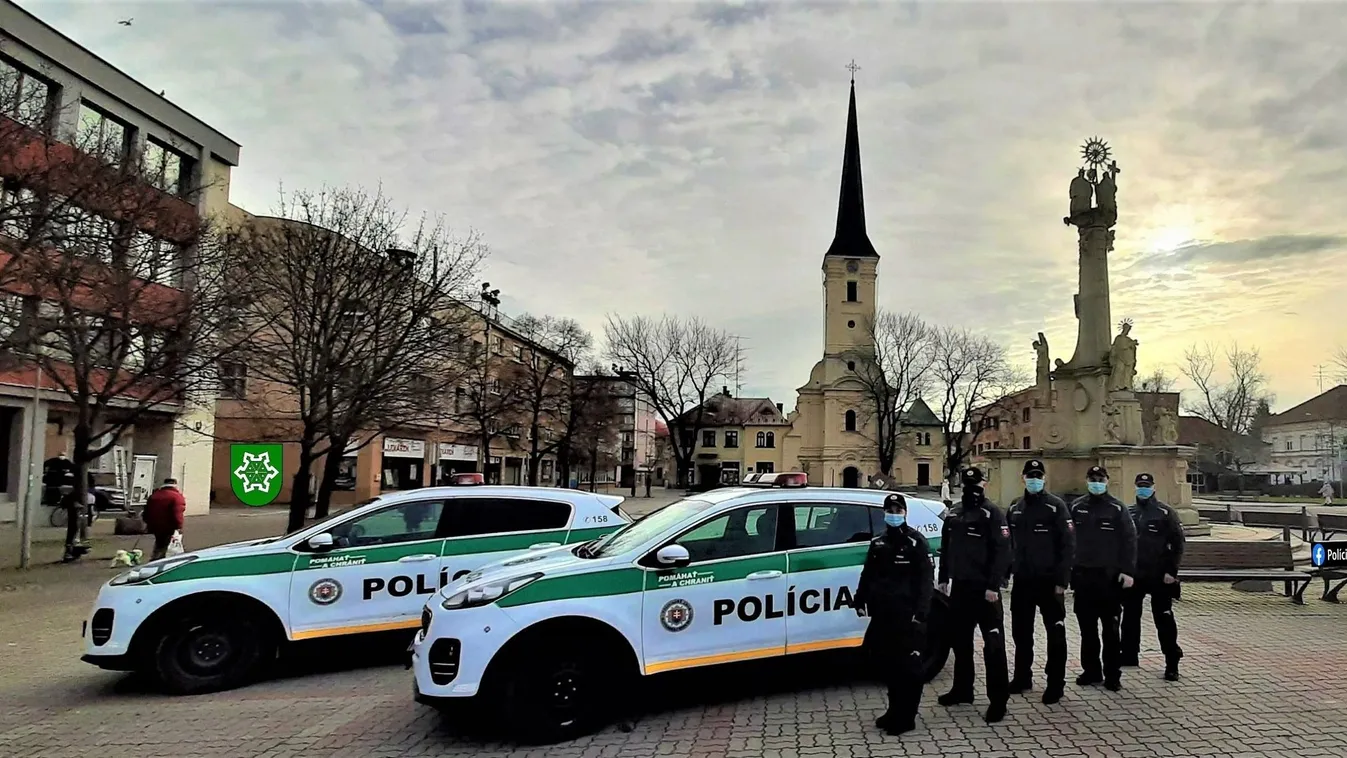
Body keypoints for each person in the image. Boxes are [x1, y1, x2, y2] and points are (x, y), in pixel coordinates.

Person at [855, 493, 934, 736]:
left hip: (908, 615)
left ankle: (906, 716)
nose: (894, 515)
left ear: (905, 513)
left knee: (908, 667)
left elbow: (926, 581)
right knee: (887, 664)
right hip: (883, 614)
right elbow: (868, 574)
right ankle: (893, 710)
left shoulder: (916, 542)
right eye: (890, 511)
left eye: (898, 511)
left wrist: (921, 613)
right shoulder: (878, 542)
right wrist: (860, 599)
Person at [937, 467, 1011, 723]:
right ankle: (962, 690)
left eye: (976, 484)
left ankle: (998, 700)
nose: (972, 488)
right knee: (960, 642)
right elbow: (946, 545)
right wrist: (943, 577)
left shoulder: (993, 514)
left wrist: (995, 585)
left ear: (984, 484)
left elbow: (1003, 552)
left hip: (985, 591)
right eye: (968, 484)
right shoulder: (955, 512)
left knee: (993, 647)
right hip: (960, 588)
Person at [1007, 459, 1074, 704]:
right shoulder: (1016, 507)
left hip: (1049, 581)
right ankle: (1022, 676)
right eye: (1030, 475)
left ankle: (1056, 683)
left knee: (1055, 633)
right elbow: (1008, 544)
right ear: (1022, 477)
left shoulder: (1056, 507)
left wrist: (1062, 580)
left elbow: (1068, 545)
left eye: (1038, 475)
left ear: (1044, 478)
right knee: (1021, 633)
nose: (1034, 479)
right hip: (1023, 580)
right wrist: (1006, 574)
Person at [1069, 466, 1136, 692]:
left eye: (1100, 479)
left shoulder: (1117, 508)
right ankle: (1092, 671)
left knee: (1110, 630)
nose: (1096, 482)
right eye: (1092, 479)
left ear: (1107, 481)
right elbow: (1069, 541)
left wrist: (1127, 571)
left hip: (1109, 579)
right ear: (1086, 481)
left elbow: (1129, 541)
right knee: (1087, 630)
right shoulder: (1077, 507)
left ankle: (1113, 675)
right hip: (1084, 577)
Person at [1122, 472, 1186, 681]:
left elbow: (1178, 544)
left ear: (1153, 487)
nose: (1143, 488)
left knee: (1164, 618)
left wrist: (1171, 572)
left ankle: (1171, 661)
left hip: (1159, 574)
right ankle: (1129, 654)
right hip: (1135, 574)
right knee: (1130, 616)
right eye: (1140, 485)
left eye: (1146, 485)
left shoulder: (1165, 513)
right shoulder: (1129, 512)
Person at [143, 478, 187, 560]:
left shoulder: (154, 495)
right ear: (175, 484)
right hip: (169, 526)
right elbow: (177, 513)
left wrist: (147, 522)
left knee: (159, 542)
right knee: (166, 545)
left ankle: (155, 557)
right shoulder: (176, 496)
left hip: (155, 525)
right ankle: (159, 561)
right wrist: (179, 526)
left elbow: (146, 511)